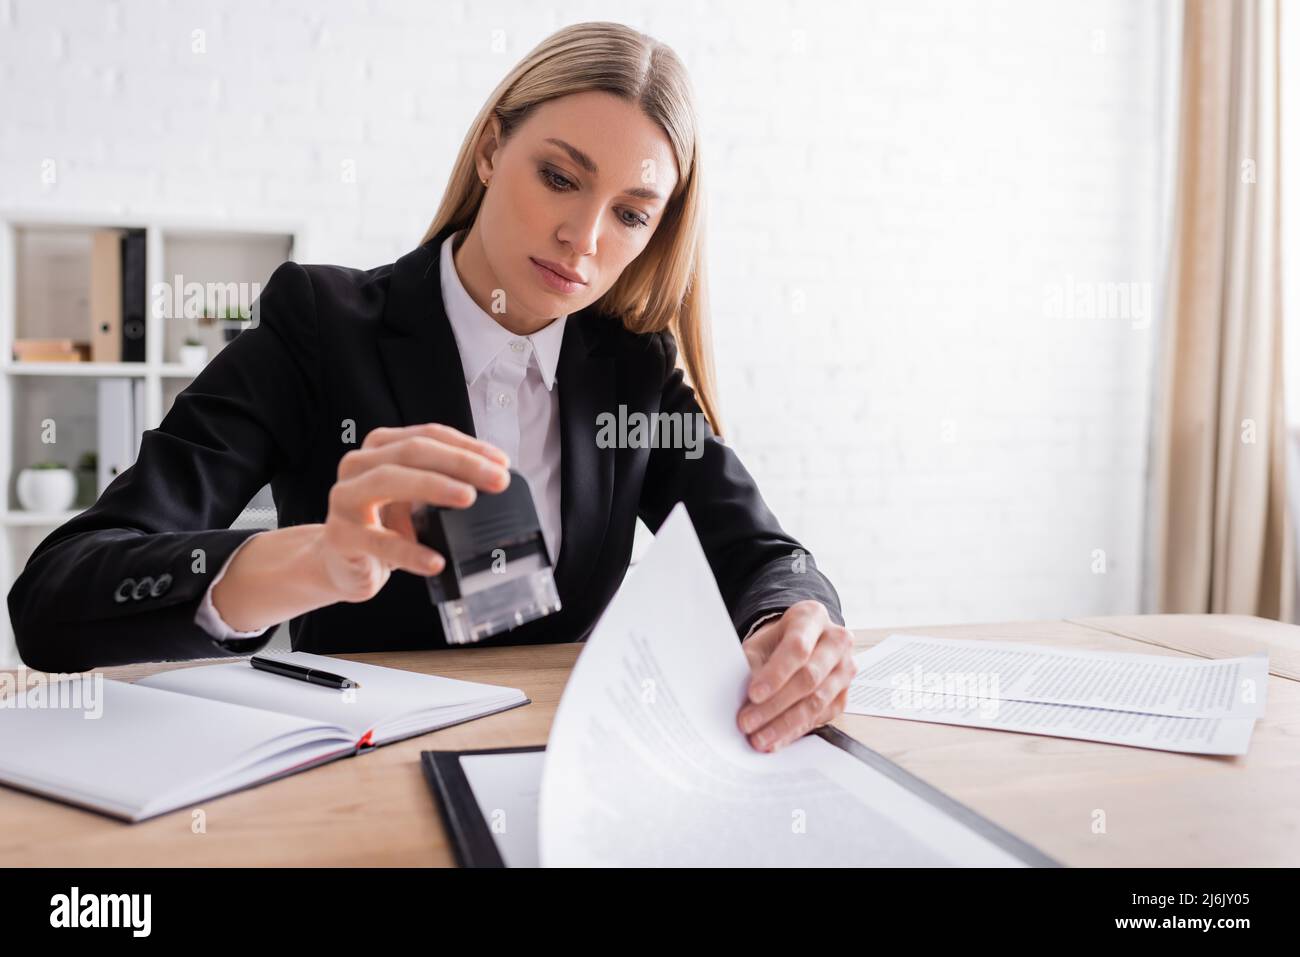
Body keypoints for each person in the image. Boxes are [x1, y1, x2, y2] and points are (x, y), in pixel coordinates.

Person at [8, 21, 854, 753]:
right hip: (355, 774)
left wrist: (791, 623)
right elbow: (53, 596)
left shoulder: (633, 368)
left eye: (631, 212)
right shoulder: (320, 324)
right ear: (492, 148)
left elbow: (763, 556)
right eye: (559, 176)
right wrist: (307, 559)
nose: (581, 236)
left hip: (560, 768)